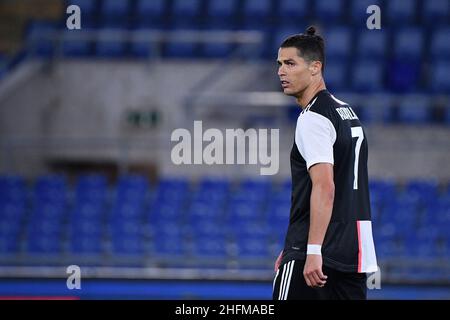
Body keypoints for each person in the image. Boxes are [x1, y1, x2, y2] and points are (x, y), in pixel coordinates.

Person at [272, 26, 378, 300]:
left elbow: (325, 187)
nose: (281, 72)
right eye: (280, 64)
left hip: (316, 256)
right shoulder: (346, 111)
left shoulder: (313, 118)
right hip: (354, 254)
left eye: (290, 63)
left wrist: (311, 248)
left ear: (315, 67)